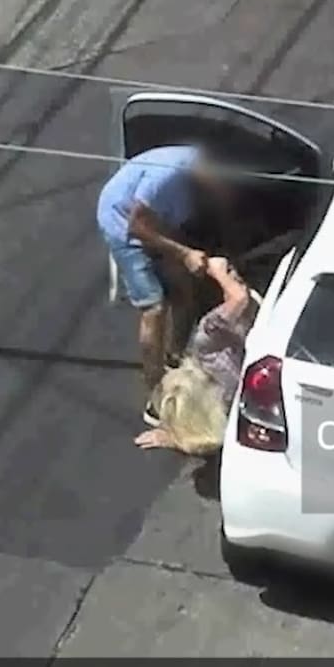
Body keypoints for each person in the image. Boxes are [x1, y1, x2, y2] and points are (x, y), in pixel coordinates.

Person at [96, 143, 223, 418]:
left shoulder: (197, 183)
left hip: (156, 223)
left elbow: (170, 224)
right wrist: (185, 253)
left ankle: (175, 359)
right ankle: (156, 396)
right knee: (154, 307)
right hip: (124, 224)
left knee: (184, 290)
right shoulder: (167, 175)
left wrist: (180, 256)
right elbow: (137, 226)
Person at [135, 256, 255, 454]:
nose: (235, 278)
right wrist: (218, 271)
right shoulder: (209, 334)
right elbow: (239, 297)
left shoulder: (225, 394)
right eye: (231, 276)